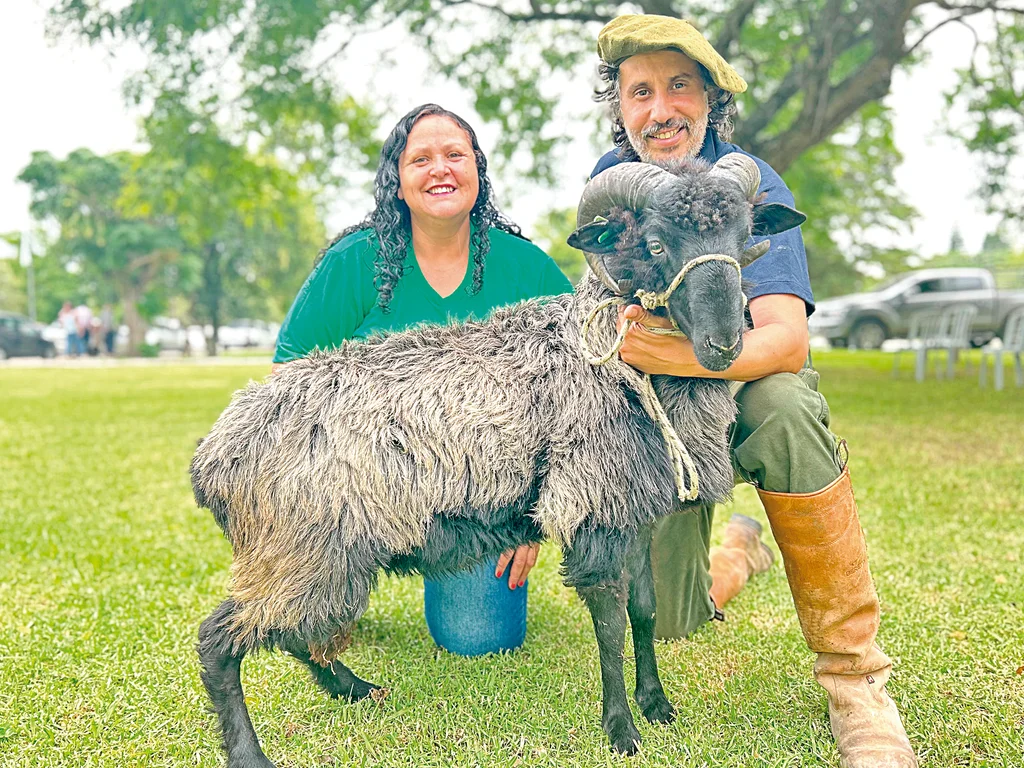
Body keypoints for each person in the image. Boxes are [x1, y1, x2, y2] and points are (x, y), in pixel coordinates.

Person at [587, 14, 916, 767]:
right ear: (621, 107)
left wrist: (680, 358)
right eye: (641, 91)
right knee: (672, 622)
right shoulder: (615, 184)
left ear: (709, 100)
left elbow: (786, 340)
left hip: (737, 402)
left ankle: (856, 682)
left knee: (787, 403)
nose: (660, 107)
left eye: (679, 85)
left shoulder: (750, 179)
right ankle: (736, 551)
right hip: (659, 430)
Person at [272, 103, 572, 654]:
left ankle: (736, 553)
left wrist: (531, 520)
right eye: (421, 159)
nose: (441, 169)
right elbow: (289, 380)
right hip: (360, 484)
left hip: (479, 500)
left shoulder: (526, 268)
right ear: (399, 182)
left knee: (479, 638)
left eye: (455, 155)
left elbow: (576, 398)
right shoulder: (354, 263)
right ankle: (337, 580)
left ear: (478, 174)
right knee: (304, 619)